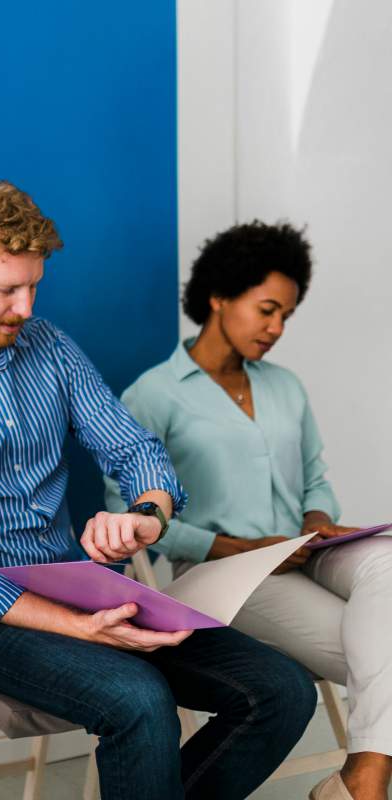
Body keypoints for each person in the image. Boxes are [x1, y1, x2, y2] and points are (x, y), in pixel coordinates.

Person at [0, 180, 317, 800]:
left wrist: (146, 516)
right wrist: (87, 627)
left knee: (283, 690)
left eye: (33, 287)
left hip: (78, 586)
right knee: (139, 700)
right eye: (6, 290)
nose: (25, 308)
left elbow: (136, 451)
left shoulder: (49, 348)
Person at [105, 221, 392, 800]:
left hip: (304, 549)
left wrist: (316, 522)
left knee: (387, 557)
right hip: (222, 574)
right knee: (376, 645)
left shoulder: (286, 386)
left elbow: (316, 477)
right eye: (266, 310)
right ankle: (363, 782)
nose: (276, 328)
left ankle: (363, 773)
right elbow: (127, 514)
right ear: (219, 297)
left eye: (285, 315)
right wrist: (235, 549)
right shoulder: (154, 394)